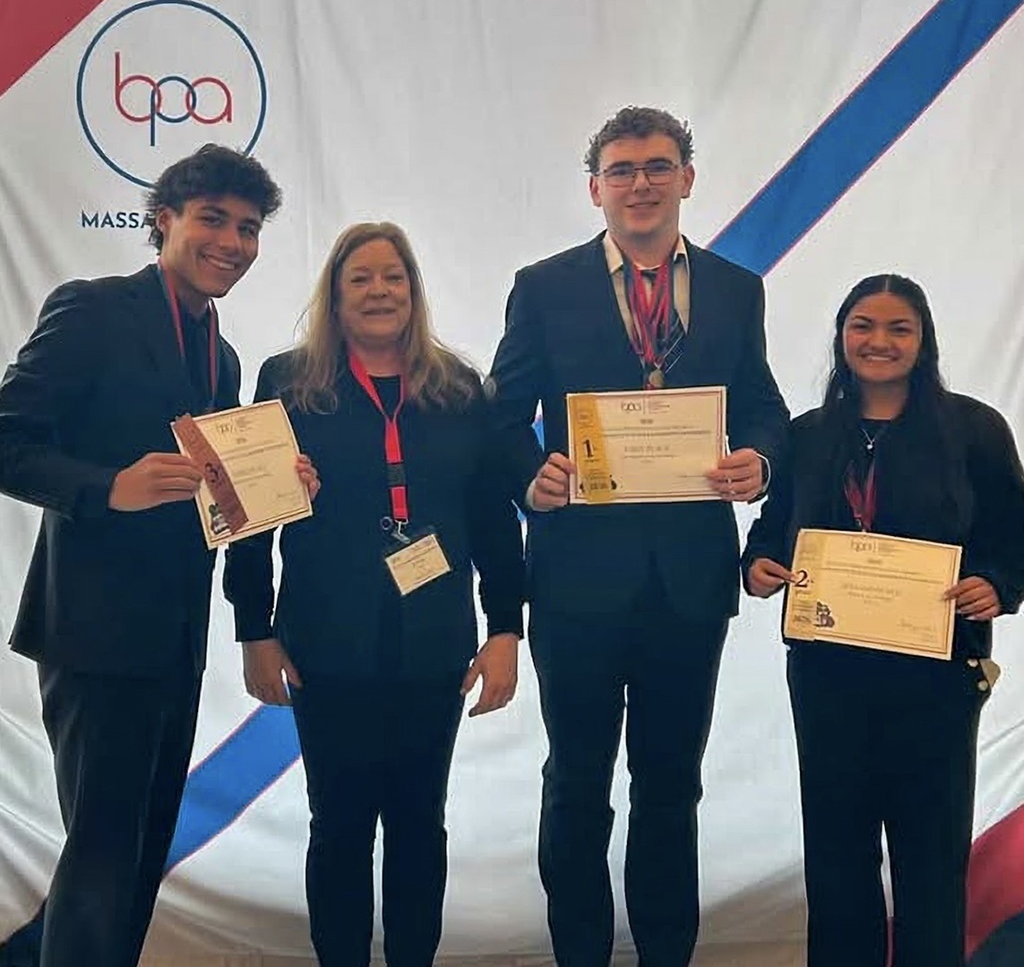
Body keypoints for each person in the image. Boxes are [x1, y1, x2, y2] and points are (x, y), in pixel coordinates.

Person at [488, 106, 789, 966]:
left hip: (689, 584)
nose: (642, 183)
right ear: (596, 190)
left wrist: (759, 463)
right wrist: (530, 476)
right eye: (622, 170)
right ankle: (579, 953)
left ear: (687, 179)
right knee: (577, 784)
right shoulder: (543, 285)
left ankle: (666, 954)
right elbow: (504, 416)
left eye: (658, 166)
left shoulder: (737, 288)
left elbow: (762, 406)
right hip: (577, 583)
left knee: (671, 788)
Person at [0, 144, 310, 967]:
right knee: (102, 854)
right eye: (214, 219)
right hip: (91, 633)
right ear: (164, 219)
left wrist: (273, 482)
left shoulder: (223, 352)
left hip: (175, 638)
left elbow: (211, 491)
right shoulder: (93, 310)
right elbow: (6, 440)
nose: (233, 243)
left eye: (248, 228)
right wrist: (109, 486)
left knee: (141, 855)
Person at [224, 221, 525, 967]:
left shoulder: (460, 389)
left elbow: (492, 518)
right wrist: (253, 630)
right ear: (335, 294)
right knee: (340, 827)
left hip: (434, 646)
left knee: (422, 824)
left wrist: (506, 630)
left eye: (394, 276)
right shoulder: (287, 384)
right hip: (326, 644)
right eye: (361, 278)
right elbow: (249, 519)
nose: (380, 290)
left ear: (414, 292)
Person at [742, 273, 1024, 967]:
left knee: (931, 856)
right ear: (841, 338)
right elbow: (773, 532)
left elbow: (1013, 534)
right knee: (836, 856)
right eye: (863, 325)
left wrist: (999, 583)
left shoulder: (974, 429)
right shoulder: (806, 436)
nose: (879, 341)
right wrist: (757, 568)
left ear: (923, 341)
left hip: (936, 680)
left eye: (900, 328)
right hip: (828, 677)